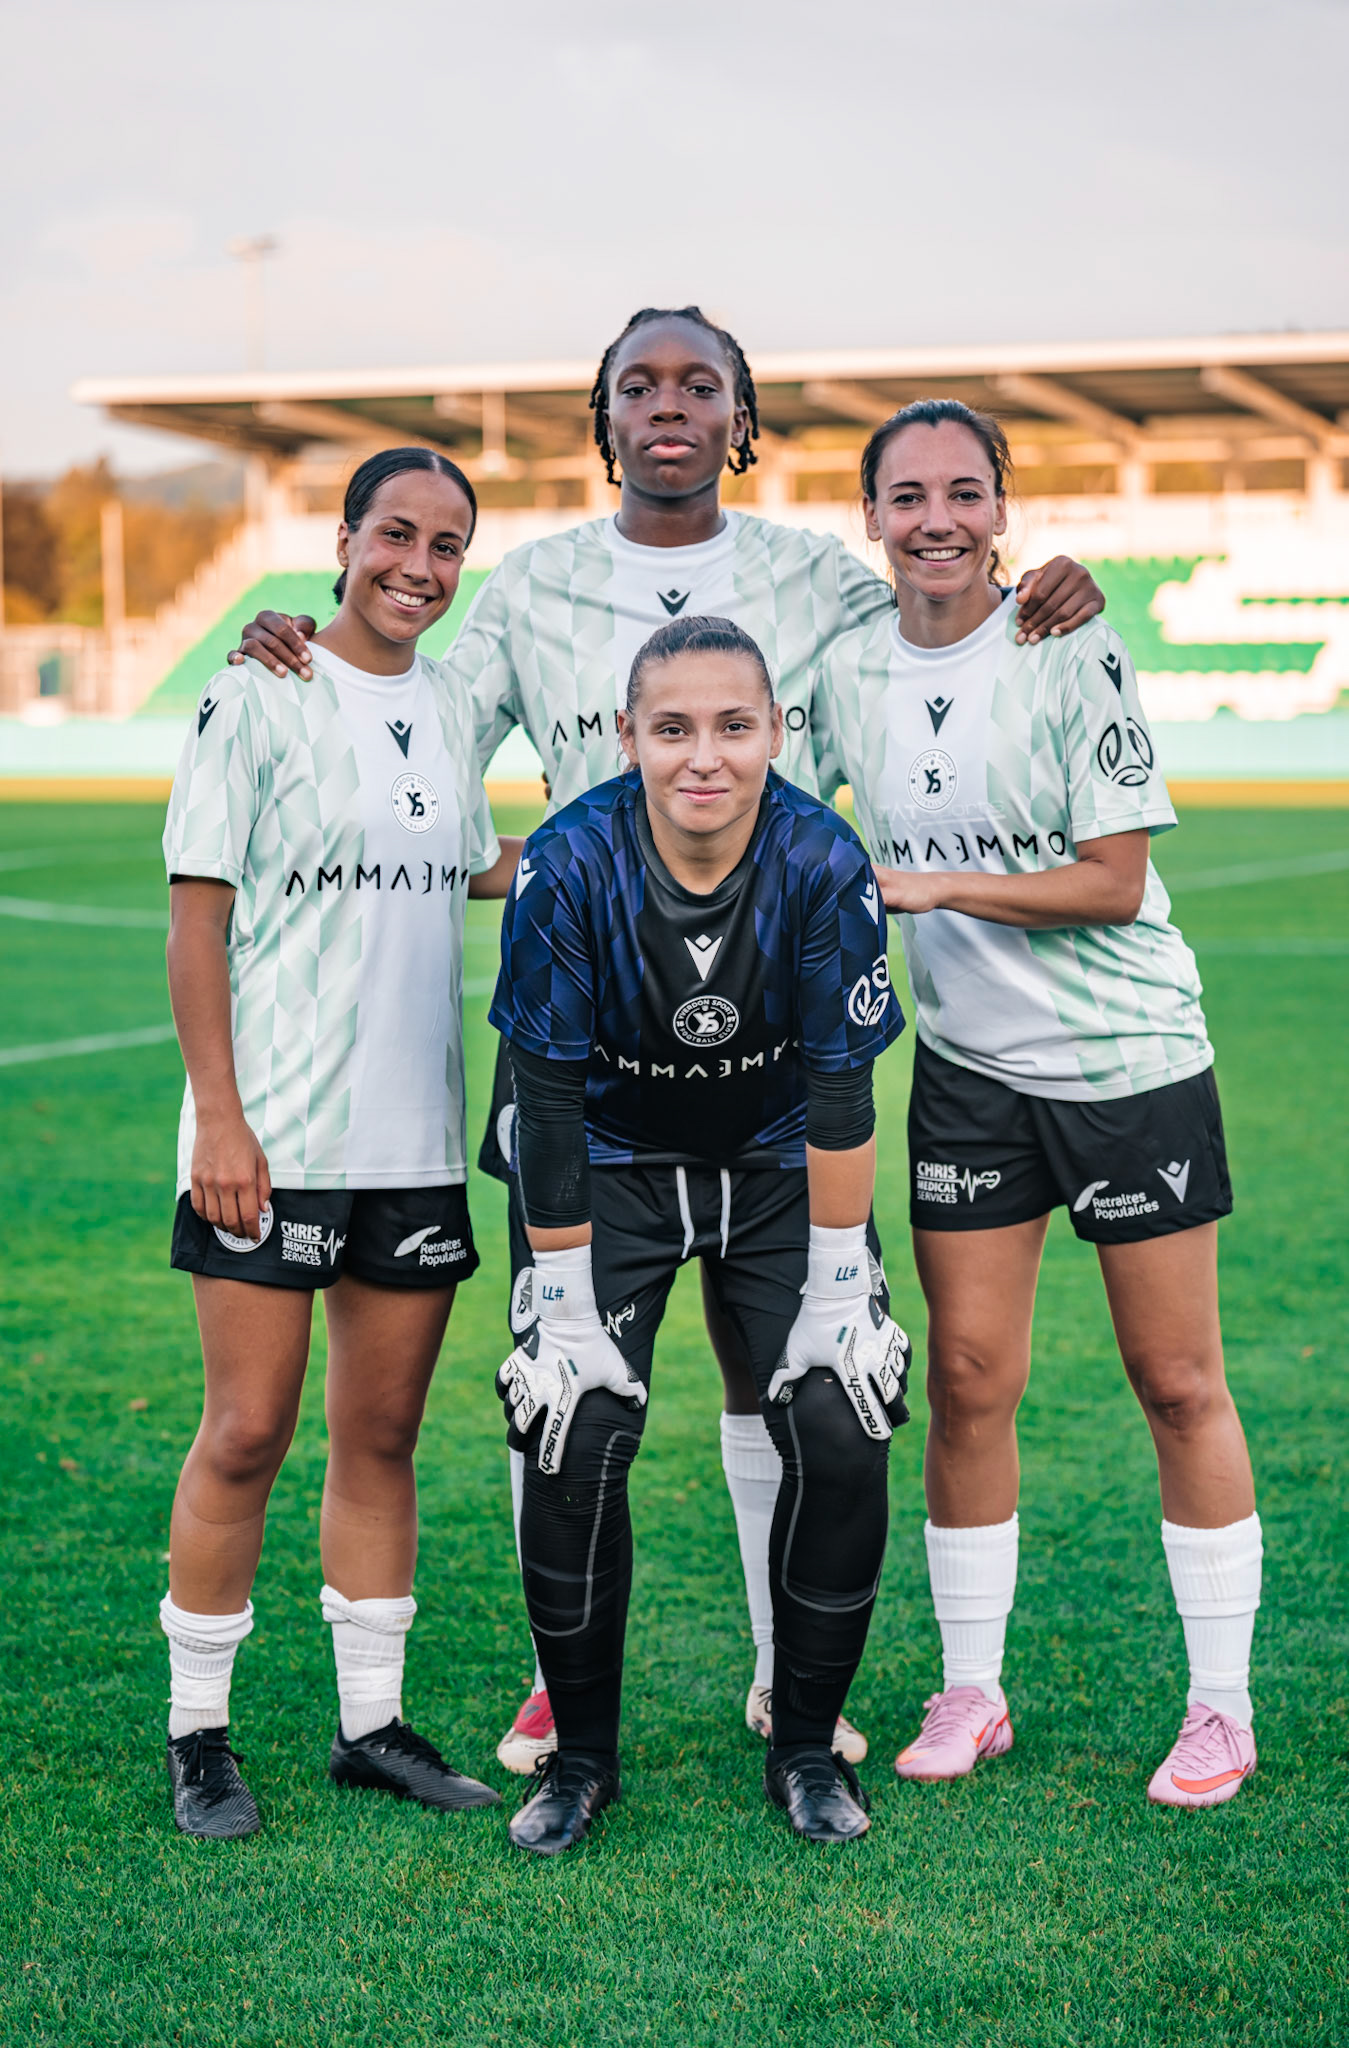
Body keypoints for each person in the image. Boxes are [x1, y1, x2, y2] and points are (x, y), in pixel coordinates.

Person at [230, 305, 1105, 1774]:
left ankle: (779, 1670)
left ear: (741, 417)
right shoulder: (535, 584)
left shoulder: (812, 574)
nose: (671, 406)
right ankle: (553, 1683)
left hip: (770, 1032)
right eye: (639, 385)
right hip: (587, 1036)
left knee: (781, 1373)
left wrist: (1038, 587)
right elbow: (421, 716)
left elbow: (935, 610)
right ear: (606, 418)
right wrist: (305, 647)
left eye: (703, 384)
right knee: (563, 1373)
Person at [813, 399, 1261, 1808]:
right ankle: (972, 1688)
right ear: (871, 518)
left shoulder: (1071, 646)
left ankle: (1221, 1707)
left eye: (963, 492)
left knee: (1177, 1381)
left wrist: (932, 885)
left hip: (1129, 1062)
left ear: (1001, 510)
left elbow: (1115, 881)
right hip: (969, 1076)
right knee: (965, 1380)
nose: (935, 519)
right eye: (907, 496)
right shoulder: (844, 669)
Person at [488, 614, 911, 1853]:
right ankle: (580, 1759)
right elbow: (545, 1101)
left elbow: (841, 1091)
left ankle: (805, 1745)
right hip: (605, 1158)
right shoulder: (569, 859)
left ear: (778, 730)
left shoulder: (822, 857)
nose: (704, 755)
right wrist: (564, 1309)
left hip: (778, 1156)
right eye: (672, 728)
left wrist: (840, 1287)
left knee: (843, 1412)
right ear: (627, 737)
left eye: (734, 725)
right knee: (572, 1423)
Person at [160, 447, 522, 1838]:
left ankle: (371, 1726)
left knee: (380, 1433)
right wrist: (221, 1115)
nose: (418, 566)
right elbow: (198, 920)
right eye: (395, 534)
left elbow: (473, 861)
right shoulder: (258, 690)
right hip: (274, 1133)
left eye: (446, 544)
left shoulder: (452, 706)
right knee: (247, 1429)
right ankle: (200, 1736)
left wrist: (639, 830)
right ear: (346, 538)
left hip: (413, 1140)